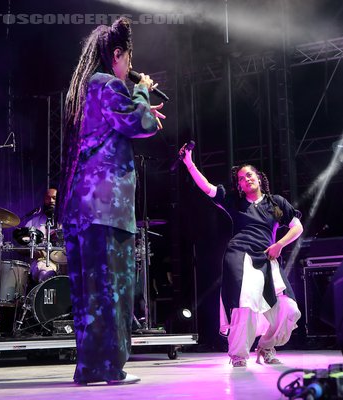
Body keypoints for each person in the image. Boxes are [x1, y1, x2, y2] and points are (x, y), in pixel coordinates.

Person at [58, 17, 165, 385]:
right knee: (114, 292)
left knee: (89, 297)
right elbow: (139, 124)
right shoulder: (106, 82)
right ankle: (113, 368)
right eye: (129, 60)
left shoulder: (82, 90)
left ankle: (88, 368)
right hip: (107, 206)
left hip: (79, 207)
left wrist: (140, 109)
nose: (131, 68)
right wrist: (143, 94)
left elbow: (123, 123)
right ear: (116, 54)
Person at [180, 145, 303, 367]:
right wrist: (189, 163)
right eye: (241, 179)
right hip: (240, 254)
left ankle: (266, 347)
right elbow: (207, 187)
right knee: (244, 304)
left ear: (258, 177)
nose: (246, 180)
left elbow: (297, 227)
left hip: (267, 257)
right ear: (239, 185)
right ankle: (238, 355)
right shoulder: (235, 202)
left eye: (249, 175)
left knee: (289, 309)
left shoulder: (275, 204)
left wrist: (280, 245)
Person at [21, 188, 64, 282]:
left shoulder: (67, 222)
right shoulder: (33, 222)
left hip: (65, 264)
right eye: (48, 198)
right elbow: (21, 246)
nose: (51, 201)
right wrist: (33, 251)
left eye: (54, 198)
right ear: (44, 200)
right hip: (41, 262)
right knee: (47, 273)